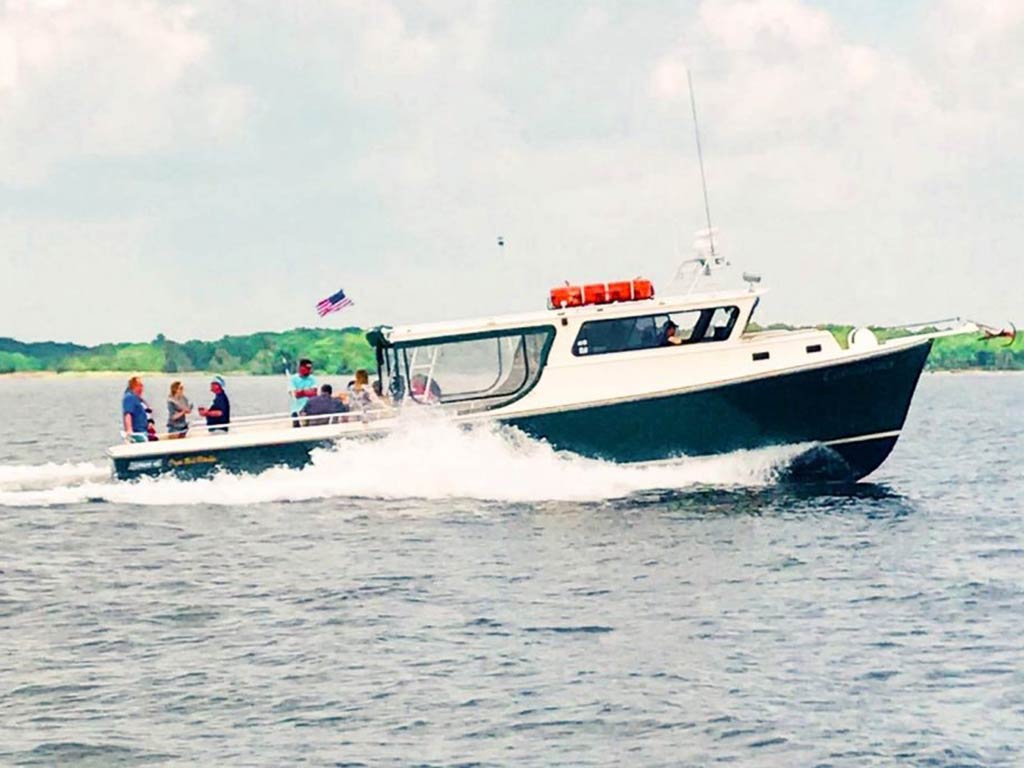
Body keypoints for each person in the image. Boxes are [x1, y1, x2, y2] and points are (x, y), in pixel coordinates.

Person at [289, 358, 318, 427]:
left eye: (310, 368)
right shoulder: (293, 379)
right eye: (307, 368)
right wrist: (307, 391)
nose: (309, 371)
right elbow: (294, 394)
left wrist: (302, 392)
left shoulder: (312, 378)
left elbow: (314, 393)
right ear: (301, 368)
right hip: (297, 409)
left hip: (310, 409)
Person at [122, 376, 150, 442]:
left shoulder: (137, 398)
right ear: (133, 386)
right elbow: (128, 414)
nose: (141, 388)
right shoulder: (129, 397)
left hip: (143, 431)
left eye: (142, 386)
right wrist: (129, 430)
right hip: (137, 432)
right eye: (139, 386)